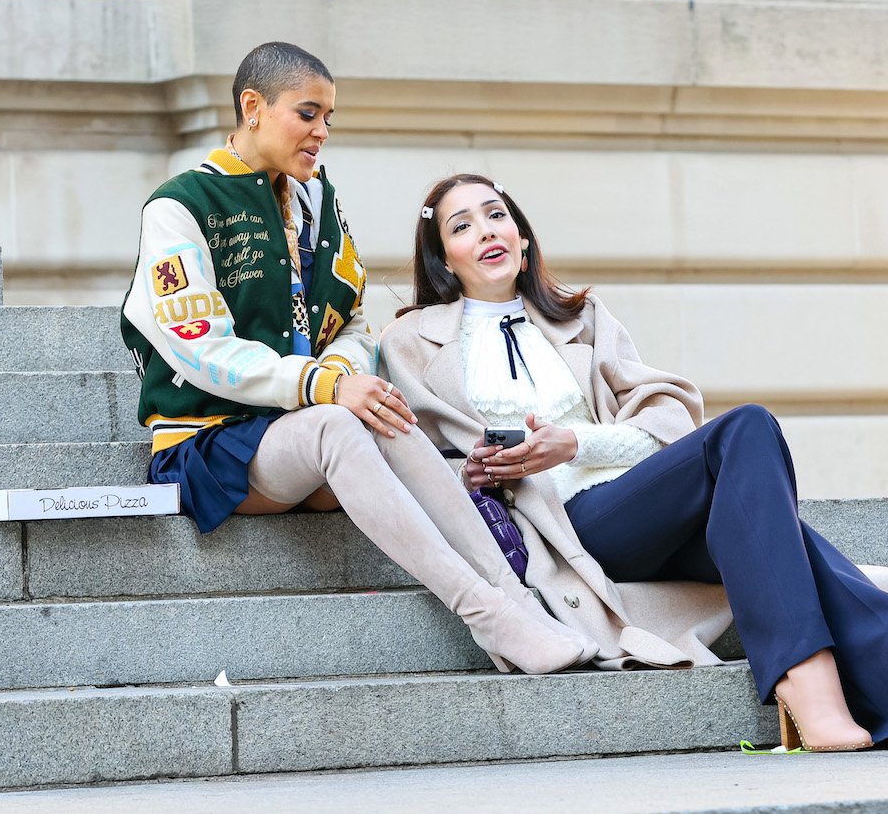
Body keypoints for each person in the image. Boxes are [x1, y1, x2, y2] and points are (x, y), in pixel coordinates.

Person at [379, 173, 888, 751]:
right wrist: (476, 471)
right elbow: (418, 456)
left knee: (767, 519)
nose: (485, 230)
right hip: (566, 526)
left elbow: (667, 417)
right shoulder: (413, 340)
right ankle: (881, 670)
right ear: (445, 257)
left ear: (522, 237)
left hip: (638, 498)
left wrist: (577, 444)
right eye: (461, 225)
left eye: (496, 215)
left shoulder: (580, 317)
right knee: (747, 430)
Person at [120, 43, 601, 676]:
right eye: (308, 113)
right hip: (211, 442)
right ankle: (489, 614)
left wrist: (345, 373)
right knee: (341, 421)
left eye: (329, 119)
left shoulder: (318, 198)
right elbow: (199, 347)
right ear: (253, 107)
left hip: (307, 430)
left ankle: (519, 604)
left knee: (380, 412)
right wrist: (321, 384)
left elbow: (350, 318)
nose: (322, 133)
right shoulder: (180, 207)